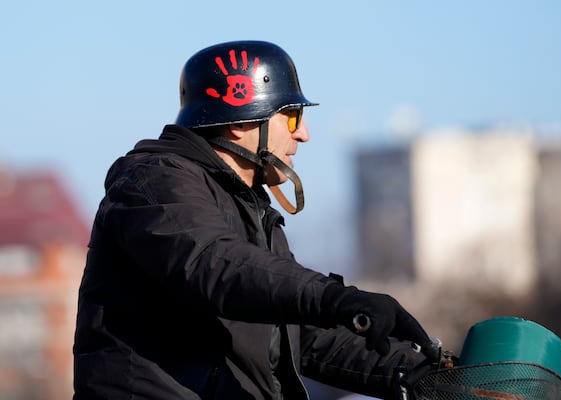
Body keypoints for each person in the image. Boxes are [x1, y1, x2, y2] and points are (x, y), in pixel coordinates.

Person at [73, 40, 440, 400]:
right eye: (292, 115)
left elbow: (299, 336)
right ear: (241, 121)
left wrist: (420, 373)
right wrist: (335, 297)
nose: (304, 134)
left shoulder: (250, 210)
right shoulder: (154, 181)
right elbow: (214, 264)